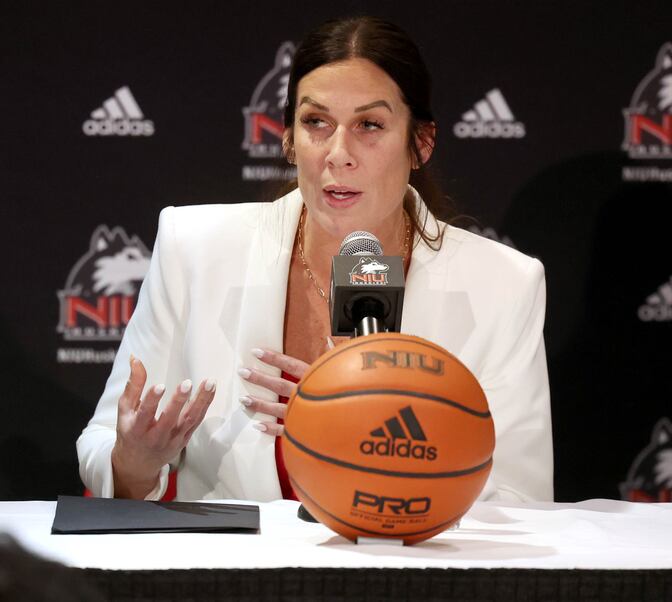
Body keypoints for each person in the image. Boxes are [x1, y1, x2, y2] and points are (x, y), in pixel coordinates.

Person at [77, 16, 553, 503]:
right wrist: (132, 465)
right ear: (288, 138)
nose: (338, 153)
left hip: (407, 575)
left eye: (370, 125)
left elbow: (519, 500)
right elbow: (102, 448)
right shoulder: (194, 248)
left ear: (421, 143)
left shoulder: (503, 285)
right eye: (316, 123)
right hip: (235, 573)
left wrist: (385, 447)